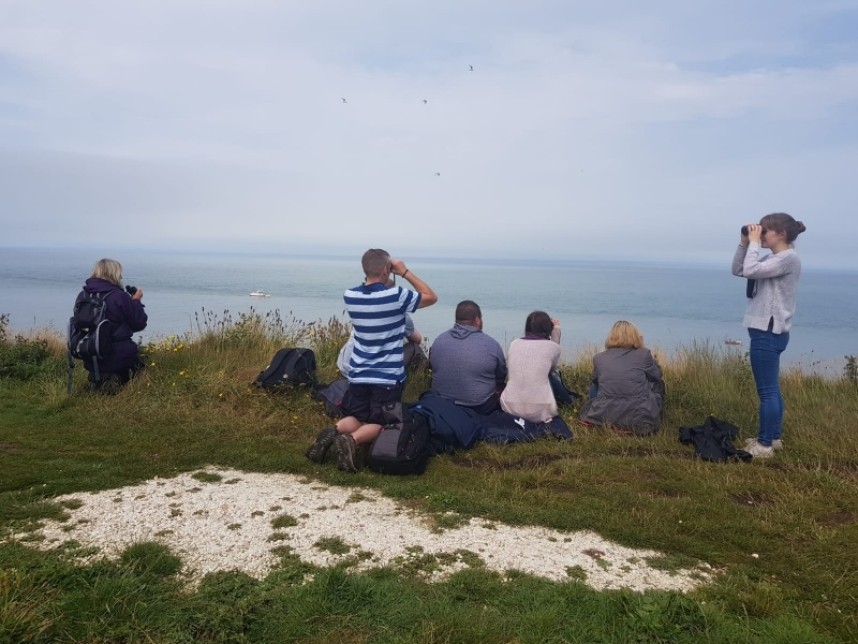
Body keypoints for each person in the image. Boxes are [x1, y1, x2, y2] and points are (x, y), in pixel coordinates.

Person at [306, 249, 437, 472]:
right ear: (387, 269)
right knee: (383, 423)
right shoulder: (396, 297)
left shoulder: (351, 296)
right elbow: (431, 297)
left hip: (358, 374)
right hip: (386, 377)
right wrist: (404, 271)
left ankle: (336, 430)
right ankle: (352, 441)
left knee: (356, 416)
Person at [732, 213, 806, 458]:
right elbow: (739, 270)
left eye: (765, 231)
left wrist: (753, 242)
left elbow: (751, 268)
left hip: (768, 331)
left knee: (767, 392)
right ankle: (773, 438)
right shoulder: (775, 259)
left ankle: (763, 446)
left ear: (781, 234)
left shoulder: (787, 259)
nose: (761, 235)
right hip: (768, 330)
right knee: (771, 388)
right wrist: (744, 243)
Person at [577, 320, 664, 435]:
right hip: (640, 419)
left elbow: (595, 381)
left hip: (606, 413)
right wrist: (642, 346)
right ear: (636, 336)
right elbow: (656, 375)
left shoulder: (599, 358)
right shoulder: (644, 354)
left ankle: (601, 417)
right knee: (659, 384)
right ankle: (646, 415)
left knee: (596, 384)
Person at [75, 258, 147, 391]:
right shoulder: (119, 296)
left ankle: (99, 381)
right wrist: (136, 301)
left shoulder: (83, 296)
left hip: (91, 356)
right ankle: (116, 383)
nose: (121, 276)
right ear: (113, 274)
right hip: (118, 357)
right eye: (119, 273)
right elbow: (139, 323)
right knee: (143, 363)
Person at [429, 300, 508, 414]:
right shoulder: (491, 344)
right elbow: (501, 376)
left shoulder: (439, 341)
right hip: (480, 406)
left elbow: (433, 367)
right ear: (477, 320)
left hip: (442, 405)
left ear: (456, 320)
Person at [500, 311, 562, 423]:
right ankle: (569, 401)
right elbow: (552, 369)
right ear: (548, 328)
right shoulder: (552, 347)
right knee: (553, 375)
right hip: (541, 411)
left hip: (509, 406)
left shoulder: (514, 344)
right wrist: (556, 329)